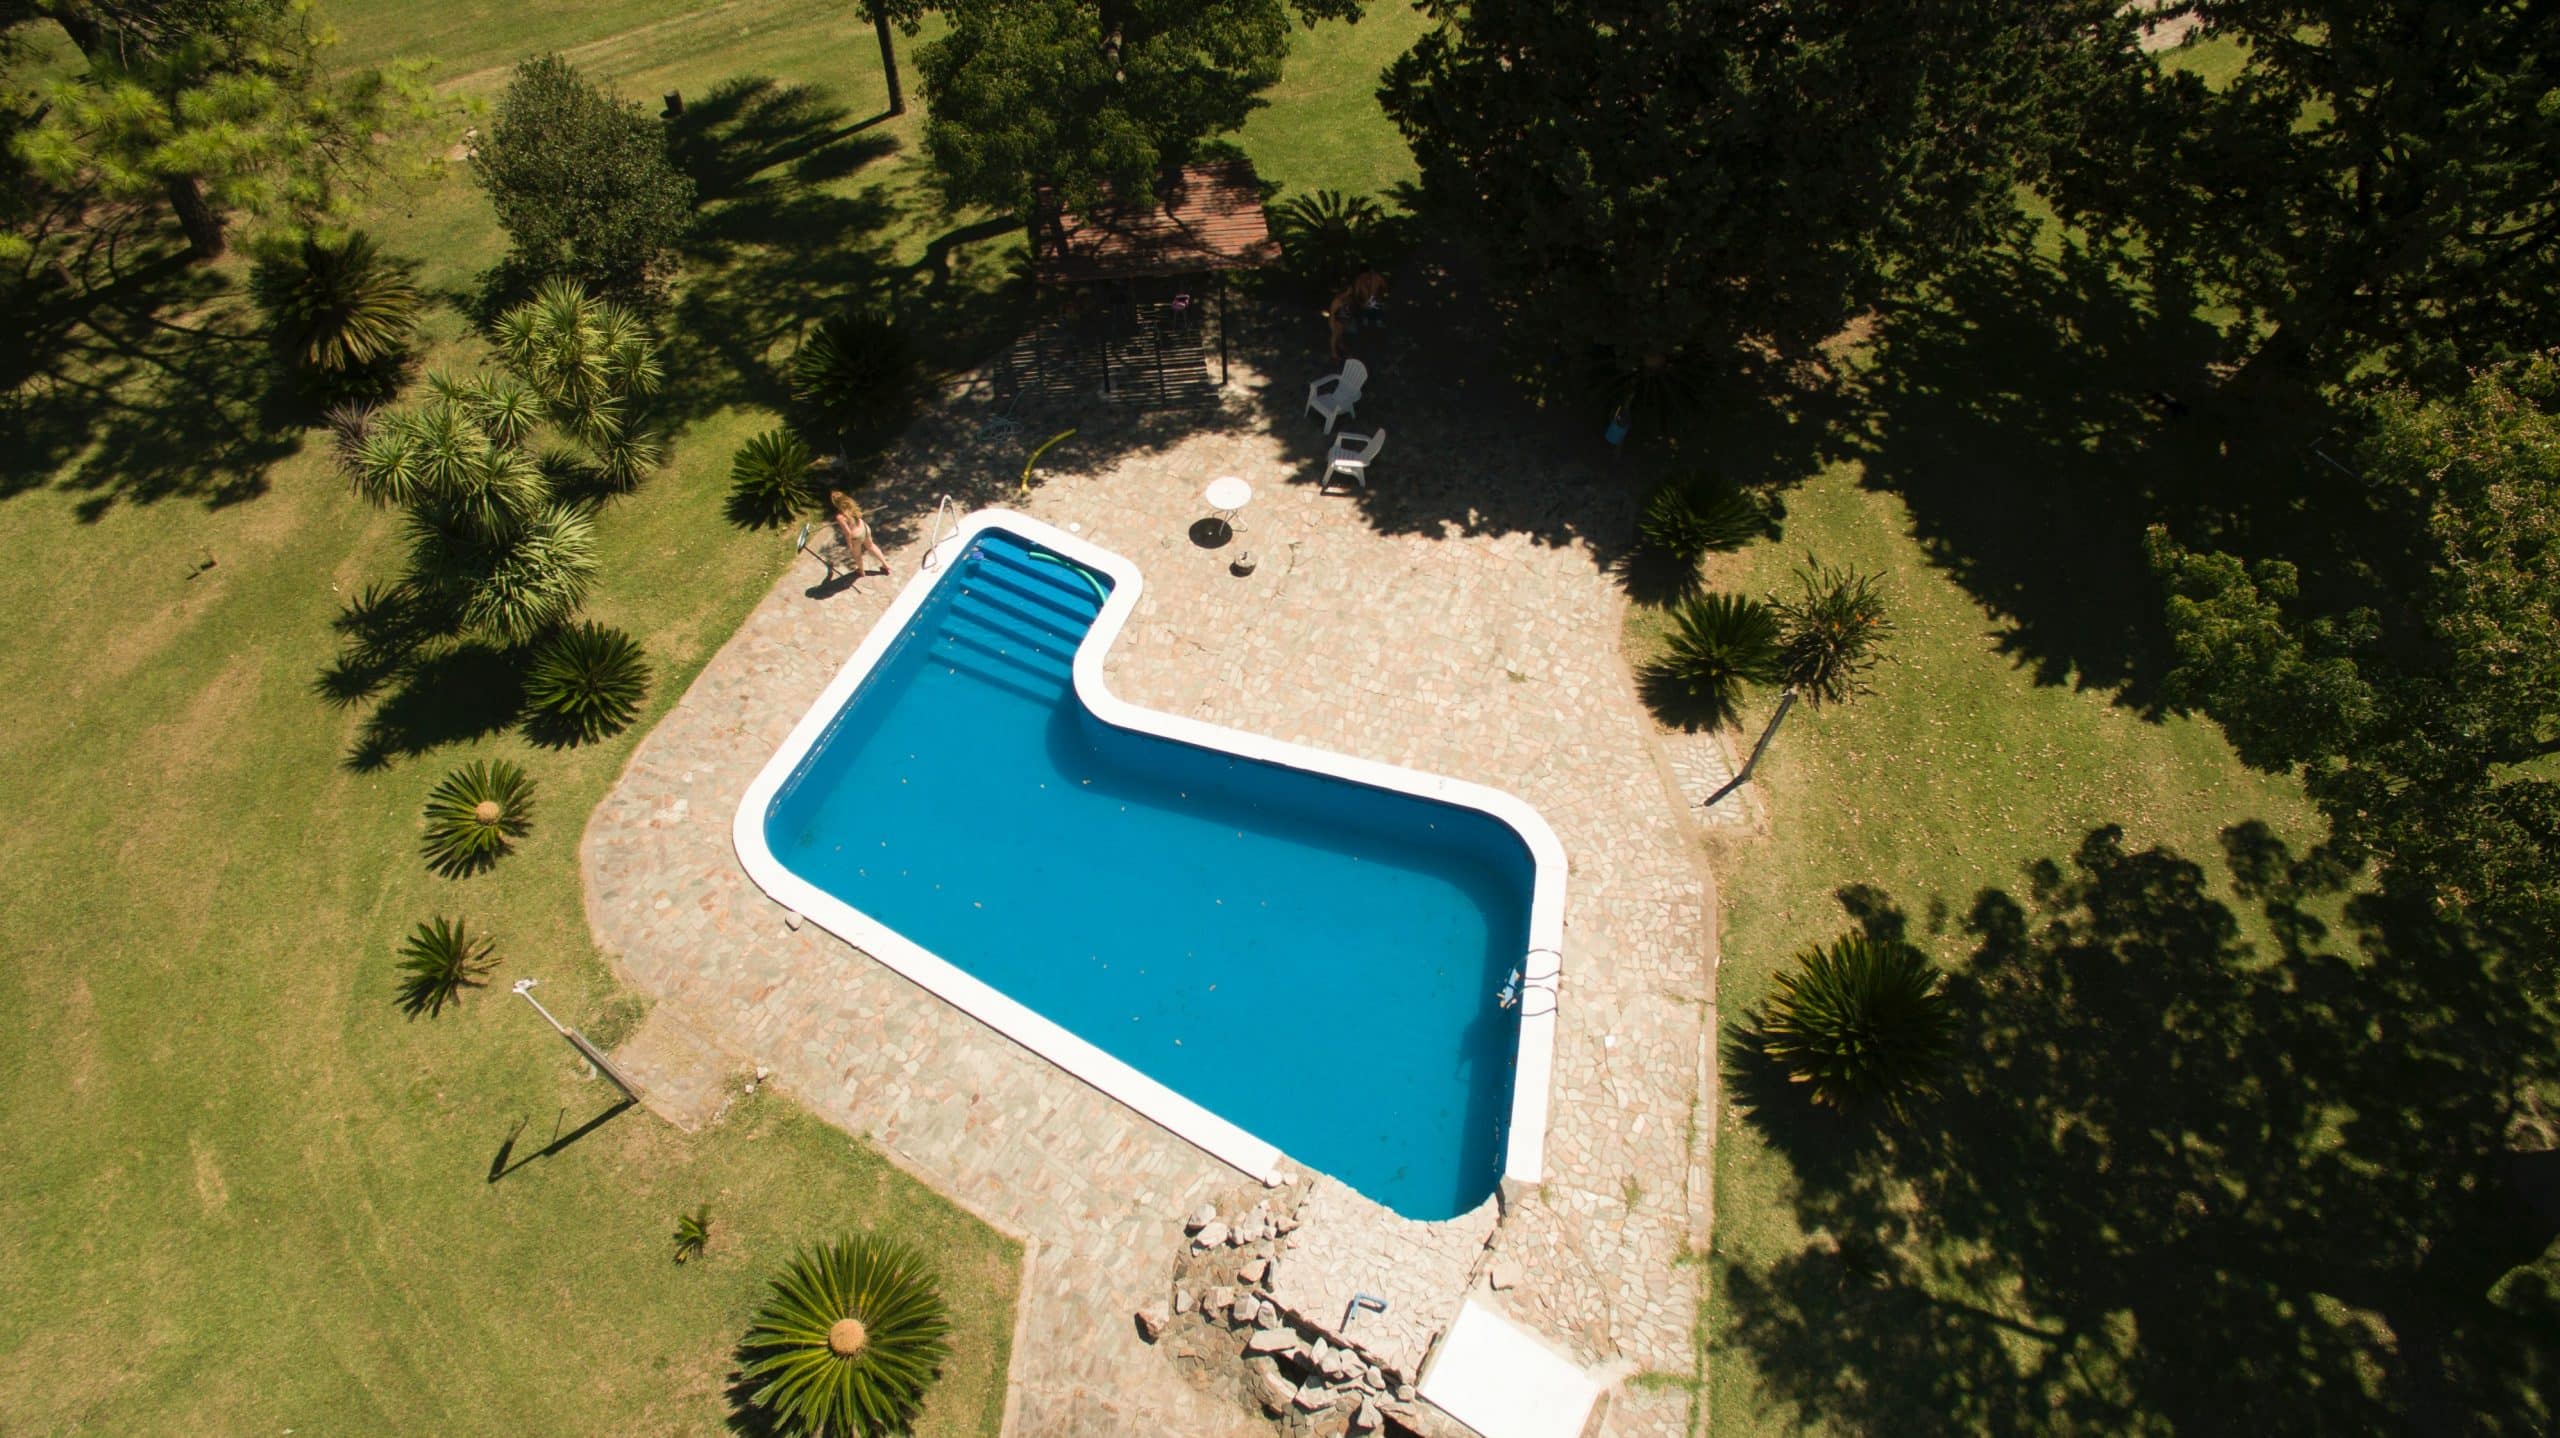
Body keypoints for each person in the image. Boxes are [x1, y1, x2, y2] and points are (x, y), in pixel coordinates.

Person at [827, 490, 891, 576]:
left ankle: (861, 571)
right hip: (864, 528)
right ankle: (885, 565)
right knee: (871, 546)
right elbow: (859, 515)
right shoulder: (851, 505)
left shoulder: (840, 517)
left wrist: (849, 543)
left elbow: (848, 533)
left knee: (857, 555)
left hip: (856, 537)